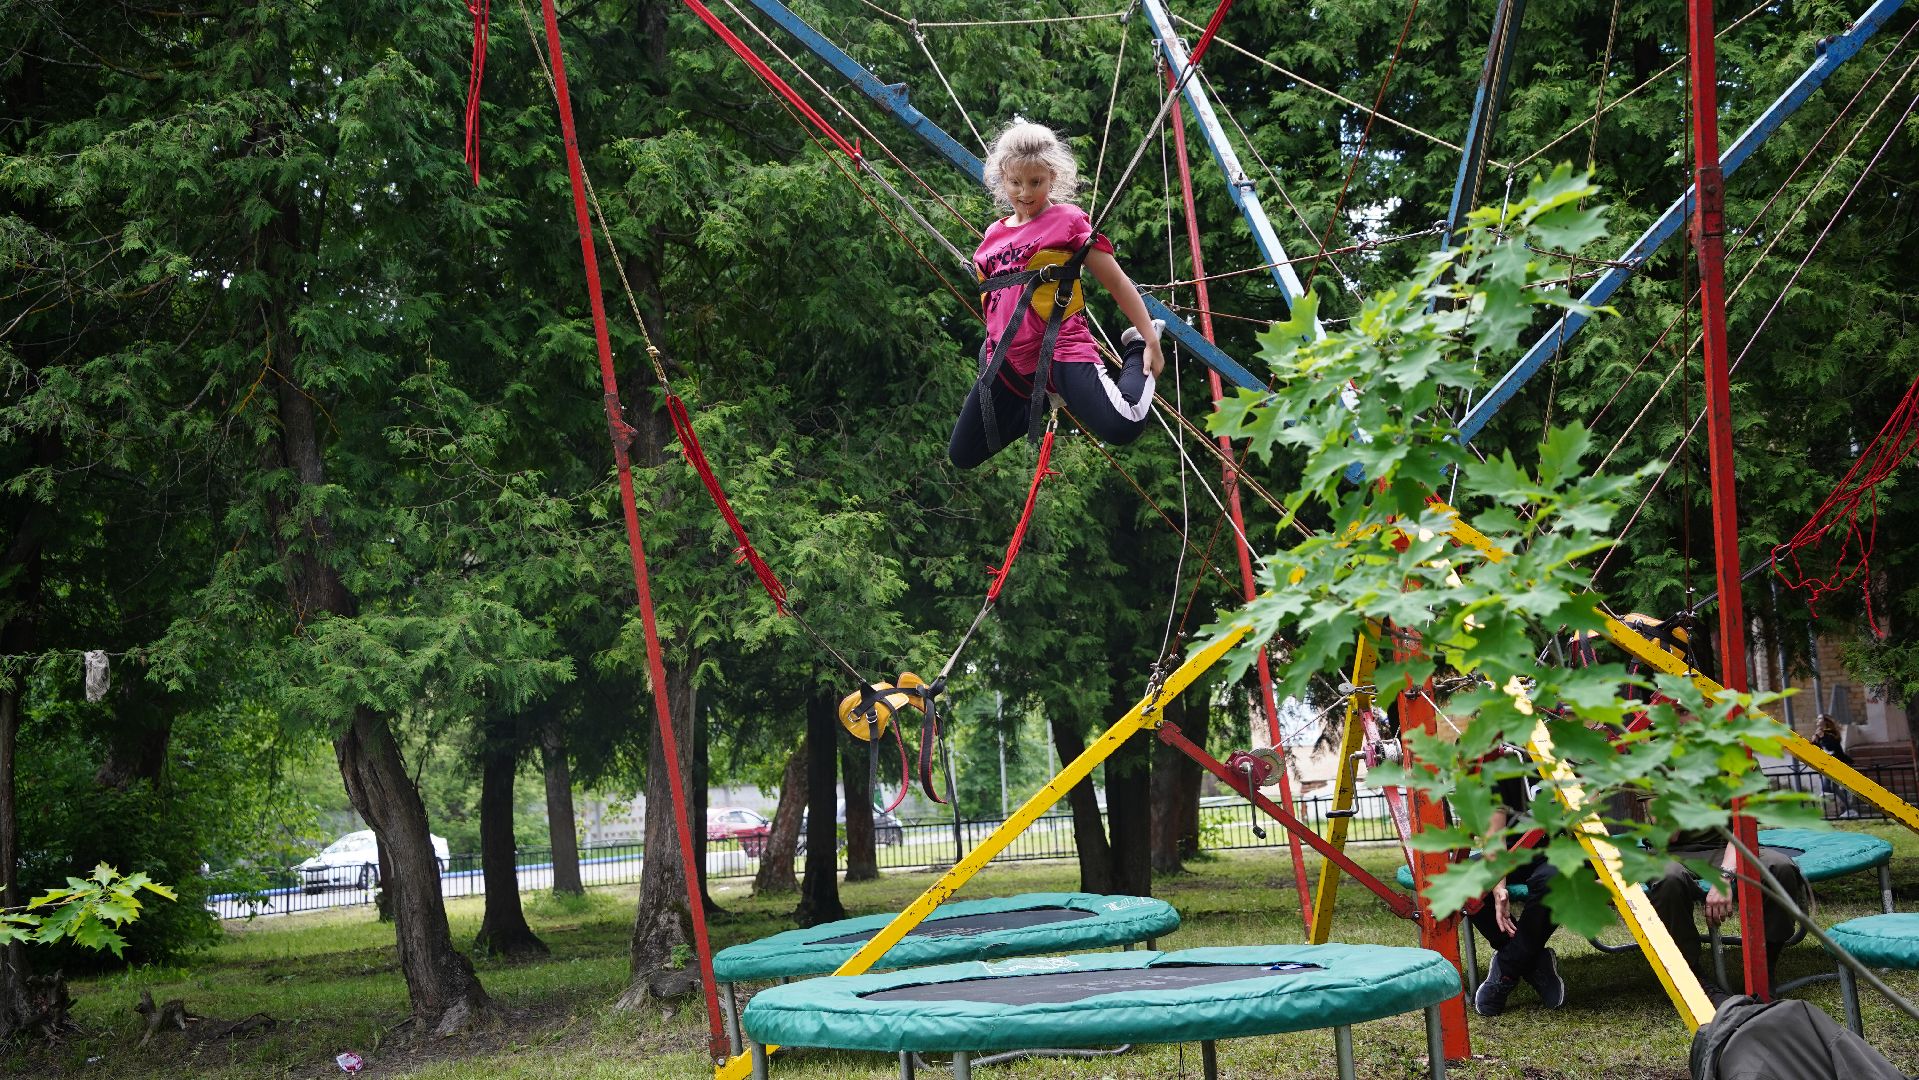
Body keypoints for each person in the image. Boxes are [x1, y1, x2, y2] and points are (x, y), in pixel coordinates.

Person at [949, 121, 1167, 469]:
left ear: (1052, 176)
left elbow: (1117, 282)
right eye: (1015, 182)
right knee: (963, 453)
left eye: (1035, 182)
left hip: (1060, 348)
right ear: (1002, 179)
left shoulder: (1068, 221)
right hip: (1008, 361)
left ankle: (1138, 344)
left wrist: (1149, 341)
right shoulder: (992, 235)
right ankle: (1039, 397)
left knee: (1122, 424)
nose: (1025, 192)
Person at [1470, 756, 1568, 1017]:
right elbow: (1494, 833)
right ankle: (1535, 963)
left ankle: (1509, 969)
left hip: (1565, 852)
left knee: (1553, 880)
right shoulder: (1501, 760)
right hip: (1515, 852)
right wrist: (1498, 885)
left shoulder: (1574, 749)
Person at [1813, 714, 1859, 818]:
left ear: (1826, 721)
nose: (1817, 720)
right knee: (1832, 787)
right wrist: (1814, 741)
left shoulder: (1831, 734)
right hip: (1829, 764)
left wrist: (1822, 737)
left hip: (1838, 763)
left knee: (1828, 787)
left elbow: (1831, 748)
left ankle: (1847, 808)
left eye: (1820, 718)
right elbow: (1821, 749)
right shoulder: (1821, 734)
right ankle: (1848, 809)